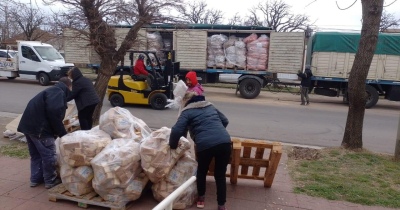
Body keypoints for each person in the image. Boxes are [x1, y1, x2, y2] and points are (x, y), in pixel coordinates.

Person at [169, 91, 231, 210]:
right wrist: (217, 132)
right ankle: (221, 205)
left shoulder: (187, 111)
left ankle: (201, 198)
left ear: (186, 102)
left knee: (202, 172)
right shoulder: (210, 106)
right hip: (225, 142)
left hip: (204, 145)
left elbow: (177, 130)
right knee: (220, 175)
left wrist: (172, 146)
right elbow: (225, 120)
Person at [17, 77, 72, 189]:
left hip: (29, 127)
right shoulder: (58, 93)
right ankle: (50, 181)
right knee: (49, 156)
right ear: (68, 86)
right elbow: (54, 114)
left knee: (36, 155)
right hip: (40, 130)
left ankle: (35, 179)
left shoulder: (51, 91)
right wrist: (62, 133)